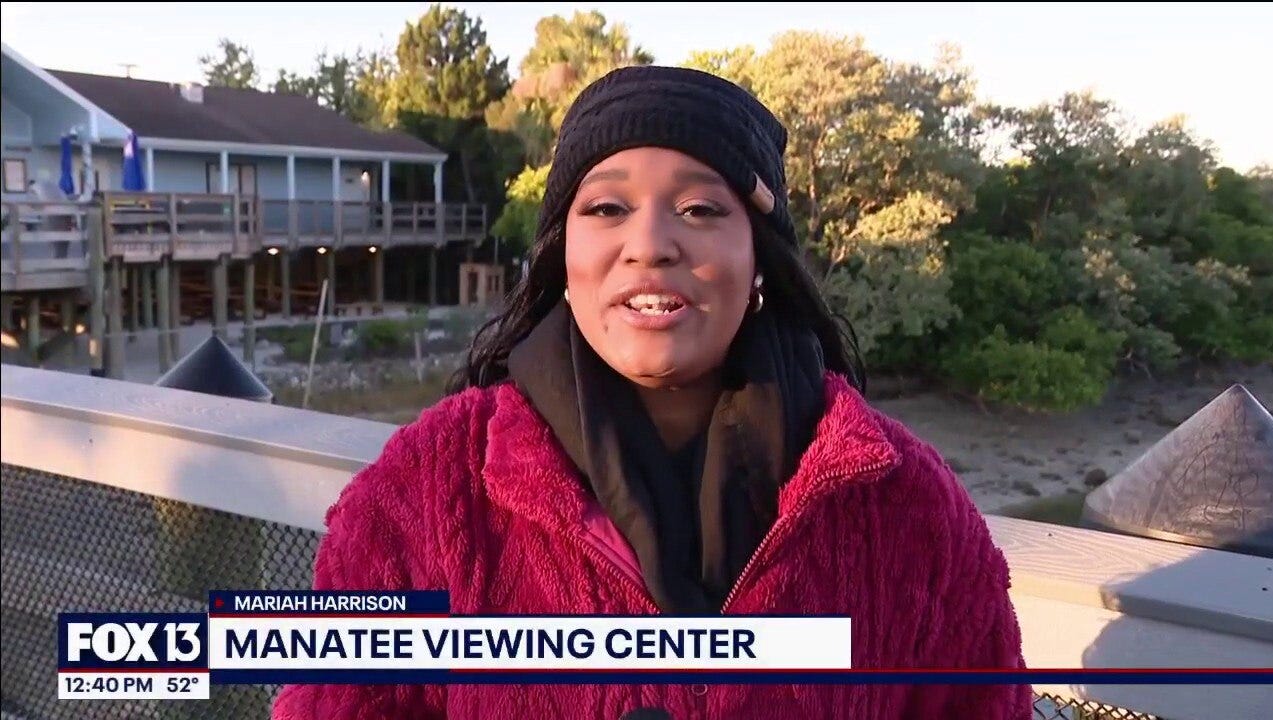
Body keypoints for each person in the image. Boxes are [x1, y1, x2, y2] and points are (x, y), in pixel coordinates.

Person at [273, 65, 1030, 720]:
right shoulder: (426, 492)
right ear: (561, 256)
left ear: (760, 259)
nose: (650, 243)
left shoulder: (904, 505)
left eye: (701, 209)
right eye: (606, 208)